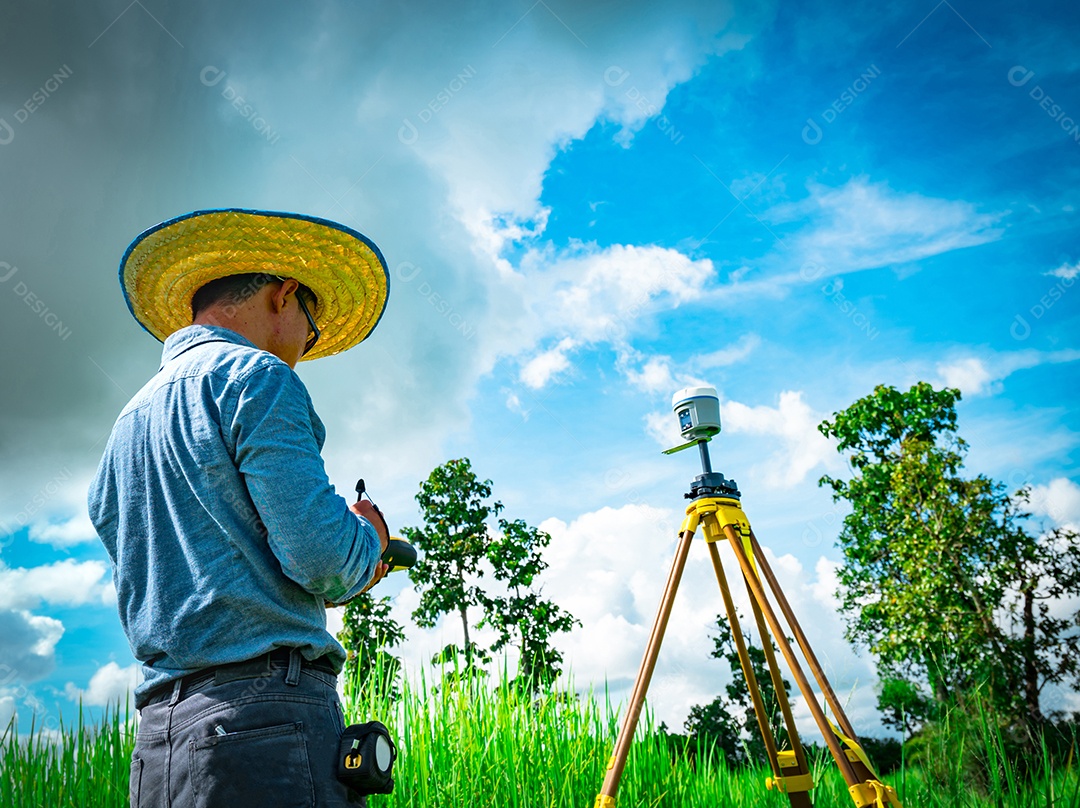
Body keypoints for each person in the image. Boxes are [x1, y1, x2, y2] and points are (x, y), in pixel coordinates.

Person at [88, 208, 392, 807]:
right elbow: (322, 558)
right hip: (267, 725)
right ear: (285, 297)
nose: (311, 341)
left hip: (158, 743)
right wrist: (371, 543)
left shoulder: (125, 425)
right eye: (314, 323)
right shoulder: (259, 377)